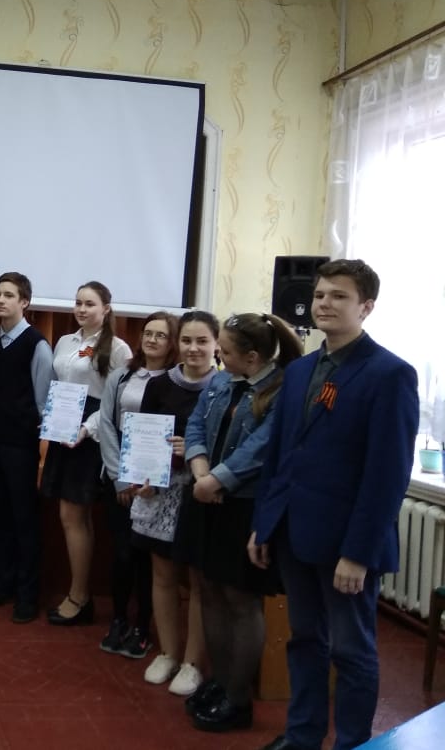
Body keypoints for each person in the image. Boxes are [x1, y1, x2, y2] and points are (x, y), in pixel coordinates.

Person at [249, 260, 419, 750]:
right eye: (320, 294)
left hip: (348, 544)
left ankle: (352, 743)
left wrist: (359, 553)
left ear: (366, 307)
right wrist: (264, 524)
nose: (324, 303)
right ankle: (302, 736)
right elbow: (280, 455)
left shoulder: (390, 374)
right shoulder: (301, 370)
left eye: (339, 296)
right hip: (294, 532)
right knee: (304, 640)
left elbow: (387, 475)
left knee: (351, 651)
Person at [184, 311, 303, 733]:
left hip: (245, 505)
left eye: (226, 352)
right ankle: (219, 683)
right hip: (207, 497)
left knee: (240, 599)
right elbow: (196, 424)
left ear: (252, 358)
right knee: (210, 590)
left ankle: (238, 699)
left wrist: (218, 479)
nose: (218, 356)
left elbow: (262, 447)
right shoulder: (221, 381)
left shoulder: (282, 390)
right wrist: (202, 473)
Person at [131, 312, 219, 698]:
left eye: (202, 341)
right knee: (162, 574)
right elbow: (144, 436)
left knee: (198, 580)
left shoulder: (225, 387)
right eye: (186, 341)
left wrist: (196, 450)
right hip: (162, 491)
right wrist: (143, 476)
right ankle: (167, 652)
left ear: (216, 345)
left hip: (203, 493)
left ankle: (192, 662)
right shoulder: (160, 384)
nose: (193, 348)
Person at [42, 281, 131, 625]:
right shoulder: (66, 341)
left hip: (90, 436)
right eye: (78, 303)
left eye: (89, 304)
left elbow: (115, 401)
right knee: (70, 517)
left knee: (74, 515)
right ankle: (81, 594)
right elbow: (59, 387)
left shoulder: (118, 349)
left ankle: (79, 596)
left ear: (106, 308)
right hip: (63, 428)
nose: (81, 309)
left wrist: (86, 429)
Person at [97, 312, 177, 658]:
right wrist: (120, 477)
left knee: (147, 561)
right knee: (122, 554)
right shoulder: (122, 375)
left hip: (157, 486)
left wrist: (151, 482)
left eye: (161, 335)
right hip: (120, 481)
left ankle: (143, 626)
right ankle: (118, 620)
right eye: (148, 333)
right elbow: (106, 423)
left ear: (172, 342)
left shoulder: (176, 380)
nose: (152, 340)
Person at [0, 272, 53, 623]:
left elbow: (43, 402)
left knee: (23, 518)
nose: (0, 300)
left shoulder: (37, 345)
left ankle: (27, 594)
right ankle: (2, 584)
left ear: (24, 302)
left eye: (8, 295)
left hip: (20, 446)